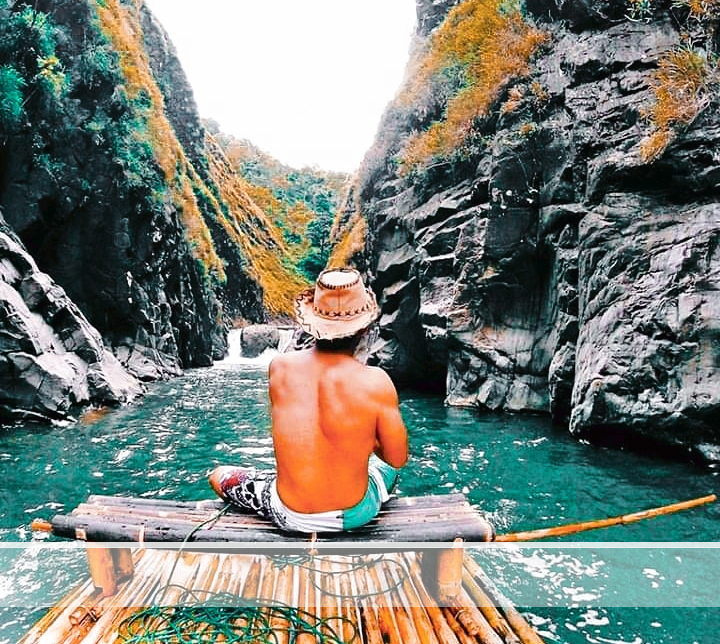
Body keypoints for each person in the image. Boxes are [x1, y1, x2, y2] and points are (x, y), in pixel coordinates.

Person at [208, 267, 408, 533]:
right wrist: (367, 439)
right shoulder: (377, 382)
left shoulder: (279, 368)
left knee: (218, 475)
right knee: (384, 469)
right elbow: (396, 458)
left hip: (288, 514)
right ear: (364, 328)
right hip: (353, 515)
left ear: (313, 324)